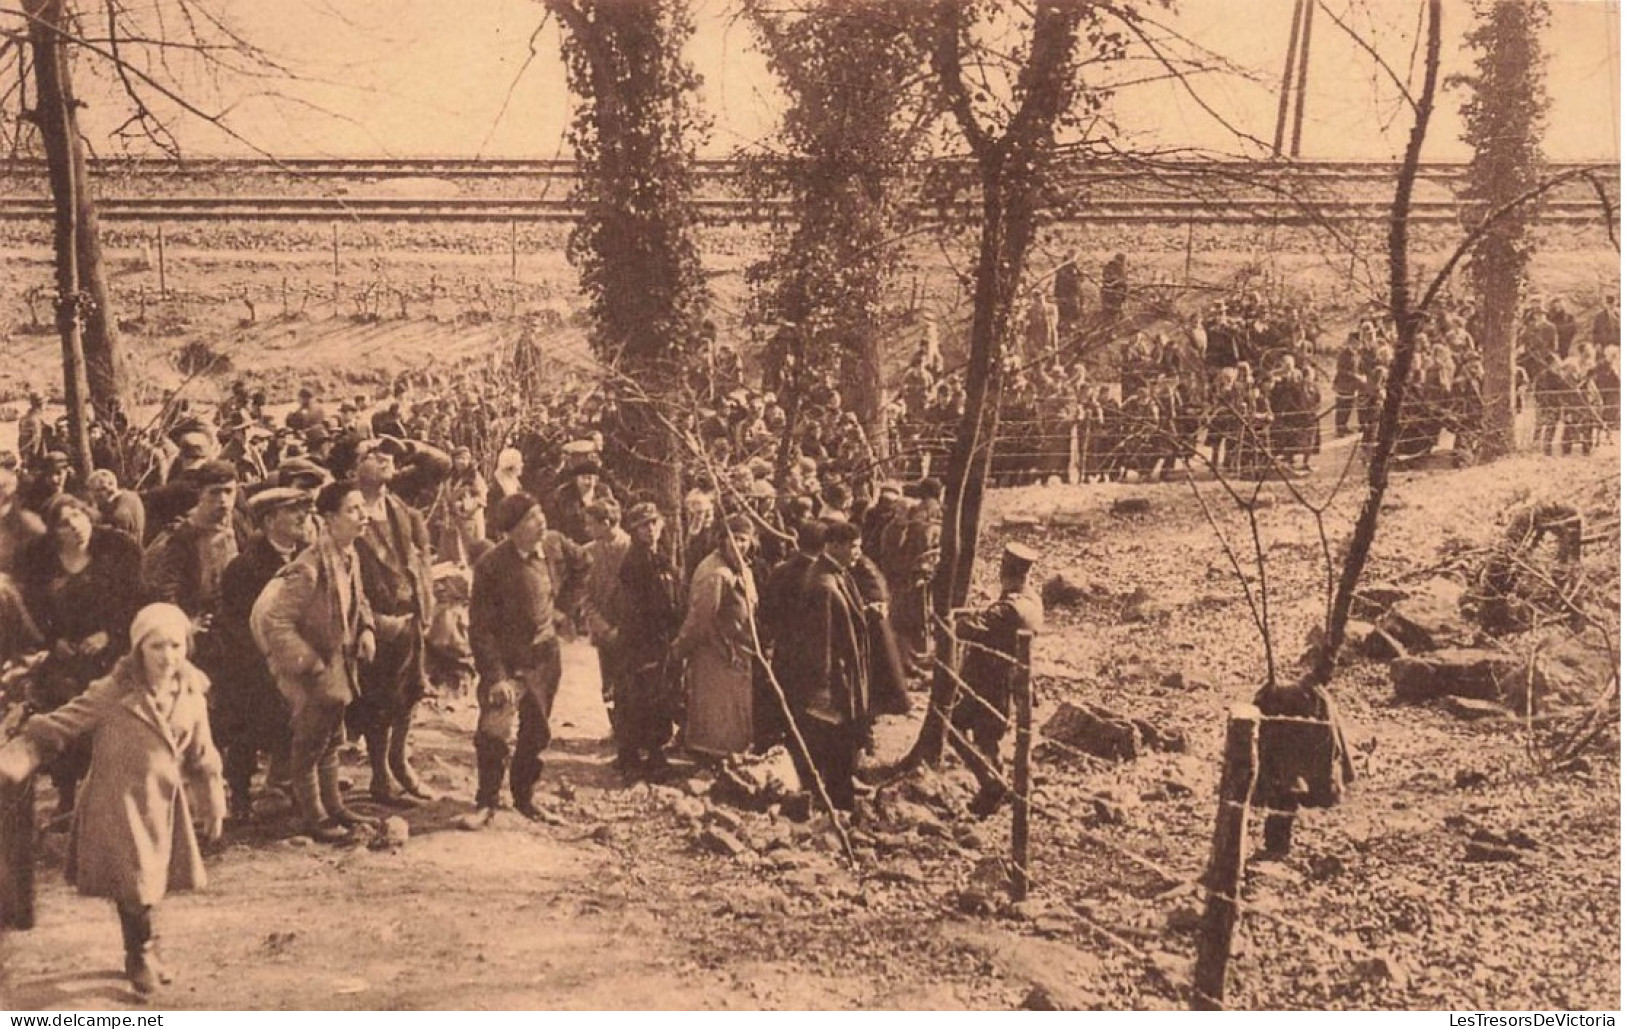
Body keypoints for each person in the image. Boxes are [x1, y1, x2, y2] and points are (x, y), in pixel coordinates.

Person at [0, 603, 225, 996]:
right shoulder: (113, 692)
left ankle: (149, 947)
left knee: (152, 884)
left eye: (175, 645)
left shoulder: (191, 691)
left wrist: (212, 799)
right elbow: (62, 723)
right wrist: (21, 753)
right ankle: (138, 954)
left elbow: (202, 752)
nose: (167, 656)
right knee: (134, 883)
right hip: (117, 802)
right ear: (138, 648)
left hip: (163, 804)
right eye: (156, 646)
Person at [252, 480, 378, 844]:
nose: (362, 515)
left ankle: (335, 806)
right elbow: (277, 623)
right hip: (315, 669)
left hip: (339, 664)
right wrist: (310, 663)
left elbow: (358, 599)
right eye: (352, 510)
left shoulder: (349, 555)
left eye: (361, 507)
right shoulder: (308, 569)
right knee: (309, 744)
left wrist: (367, 629)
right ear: (328, 519)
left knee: (331, 738)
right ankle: (314, 816)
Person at [17, 495, 144, 817]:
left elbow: (134, 600)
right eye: (64, 522)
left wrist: (110, 634)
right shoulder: (42, 564)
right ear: (54, 532)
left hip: (111, 649)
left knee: (112, 707)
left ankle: (108, 790)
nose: (74, 526)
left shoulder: (115, 553)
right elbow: (33, 609)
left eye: (78, 516)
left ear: (90, 517)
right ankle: (67, 795)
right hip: (66, 655)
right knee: (62, 703)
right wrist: (54, 640)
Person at [464, 493, 584, 827]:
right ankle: (486, 802)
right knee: (494, 730)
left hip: (545, 658)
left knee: (537, 730)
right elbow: (481, 628)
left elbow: (583, 565)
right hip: (506, 662)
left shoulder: (555, 546)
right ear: (513, 529)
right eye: (532, 517)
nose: (541, 520)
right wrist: (496, 676)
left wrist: (563, 609)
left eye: (540, 512)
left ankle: (524, 797)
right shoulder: (491, 565)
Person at [350, 436, 446, 807]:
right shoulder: (344, 513)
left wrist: (424, 607)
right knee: (376, 701)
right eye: (374, 455)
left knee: (409, 694)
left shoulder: (402, 510)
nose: (386, 460)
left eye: (390, 456)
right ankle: (379, 774)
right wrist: (368, 623)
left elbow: (440, 467)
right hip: (372, 624)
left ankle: (398, 760)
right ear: (352, 469)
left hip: (409, 619)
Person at [214, 487, 312, 824]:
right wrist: (269, 660)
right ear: (269, 521)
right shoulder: (244, 567)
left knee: (305, 723)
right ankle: (239, 796)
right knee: (246, 728)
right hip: (254, 663)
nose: (303, 517)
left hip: (298, 656)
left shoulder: (308, 557)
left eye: (304, 510)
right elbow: (235, 623)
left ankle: (292, 787)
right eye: (292, 511)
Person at [777, 519, 870, 811]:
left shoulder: (835, 574)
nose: (858, 552)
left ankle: (832, 803)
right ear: (835, 546)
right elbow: (821, 643)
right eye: (854, 547)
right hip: (832, 683)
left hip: (838, 677)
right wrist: (823, 690)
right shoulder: (823, 586)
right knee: (836, 746)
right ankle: (838, 809)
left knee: (833, 747)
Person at [950, 542, 1044, 817]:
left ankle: (992, 783)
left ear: (1006, 571)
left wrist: (962, 617)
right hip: (1007, 679)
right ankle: (994, 785)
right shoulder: (1032, 600)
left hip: (991, 682)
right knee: (988, 737)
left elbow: (965, 629)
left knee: (956, 728)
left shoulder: (1009, 608)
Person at [673, 513, 758, 761]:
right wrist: (680, 648)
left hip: (738, 650)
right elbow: (701, 619)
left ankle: (728, 757)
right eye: (735, 539)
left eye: (745, 540)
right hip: (717, 653)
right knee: (716, 714)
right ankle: (710, 760)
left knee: (731, 714)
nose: (740, 545)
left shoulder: (741, 567)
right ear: (722, 541)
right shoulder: (715, 573)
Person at [608, 502, 682, 779]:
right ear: (634, 530)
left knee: (656, 696)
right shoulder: (635, 562)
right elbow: (633, 607)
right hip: (641, 640)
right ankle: (635, 754)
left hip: (658, 638)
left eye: (654, 523)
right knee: (639, 696)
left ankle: (650, 752)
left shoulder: (660, 557)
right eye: (643, 526)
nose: (650, 530)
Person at [86, 468, 145, 544]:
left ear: (107, 487)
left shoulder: (128, 498)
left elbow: (120, 523)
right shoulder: (113, 502)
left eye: (97, 493)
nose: (96, 499)